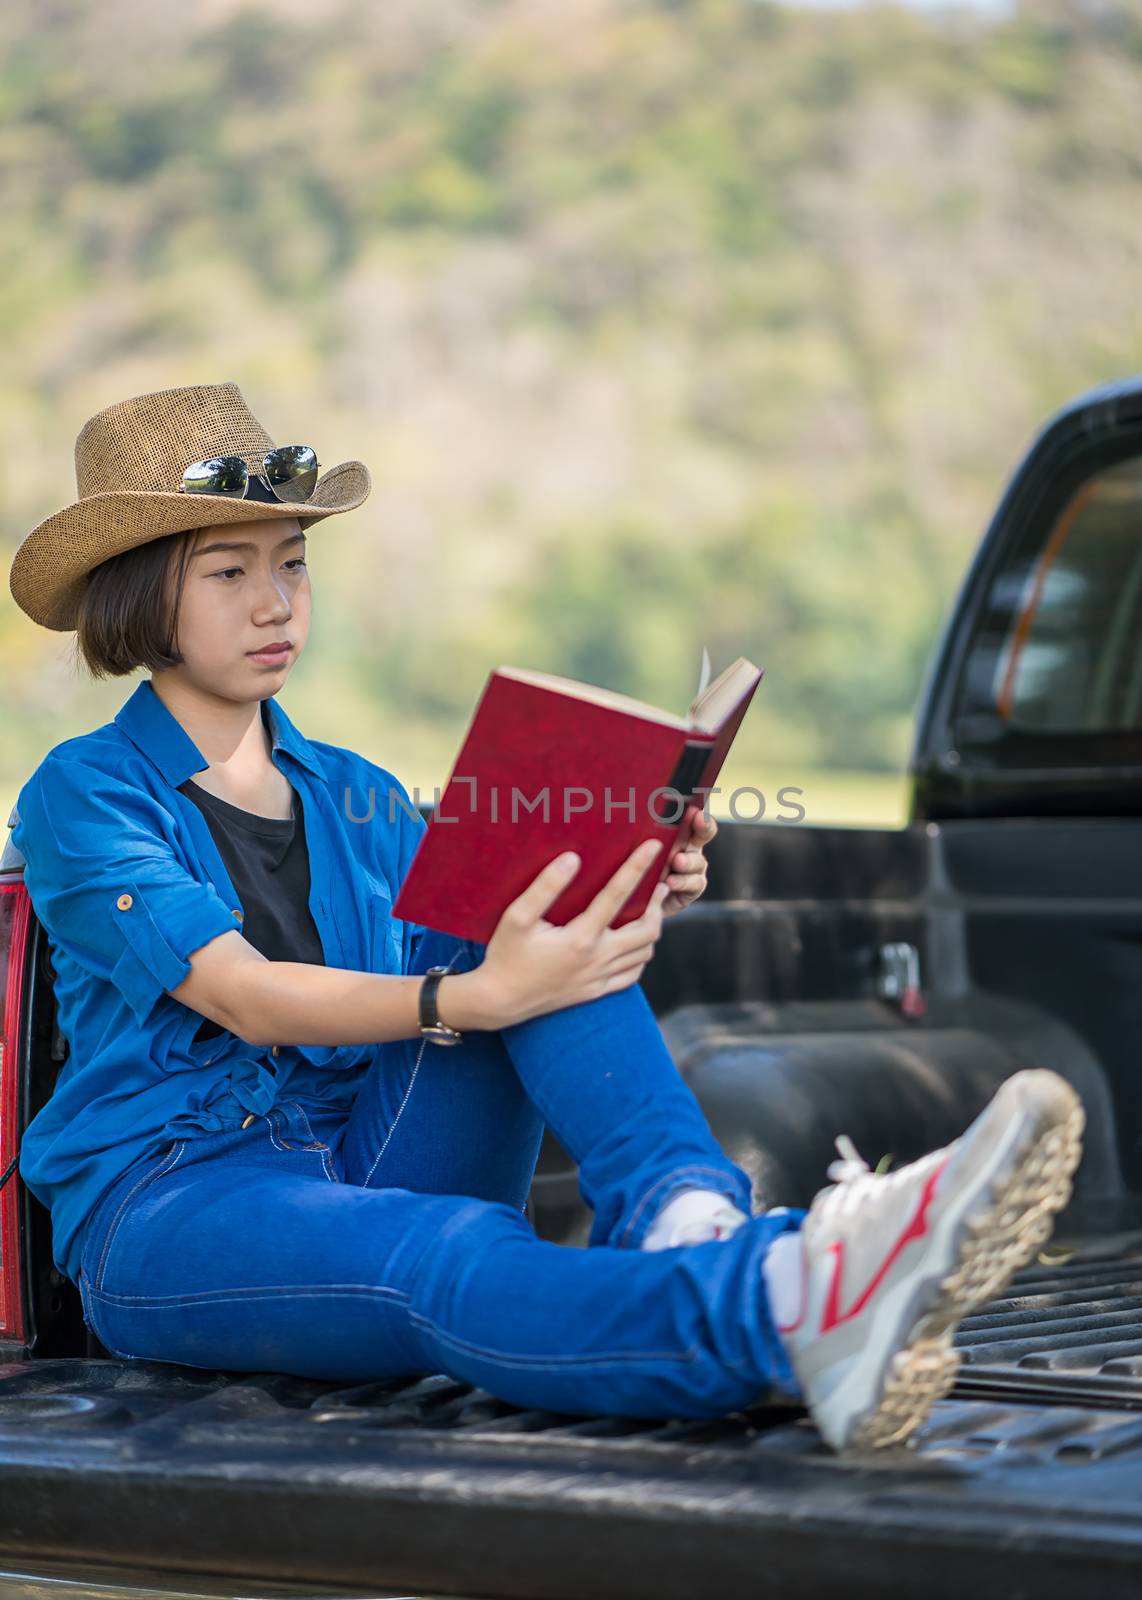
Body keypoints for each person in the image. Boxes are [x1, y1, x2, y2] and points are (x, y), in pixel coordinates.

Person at [6, 382, 1085, 1454]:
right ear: (142, 596)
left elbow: (505, 947)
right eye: (229, 571)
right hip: (174, 1207)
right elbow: (240, 995)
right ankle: (778, 1301)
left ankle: (688, 1219)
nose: (275, 601)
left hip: (365, 1141)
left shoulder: (353, 786)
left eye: (291, 560)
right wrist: (468, 997)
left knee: (524, 883)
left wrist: (637, 874)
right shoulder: (85, 790)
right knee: (441, 1247)